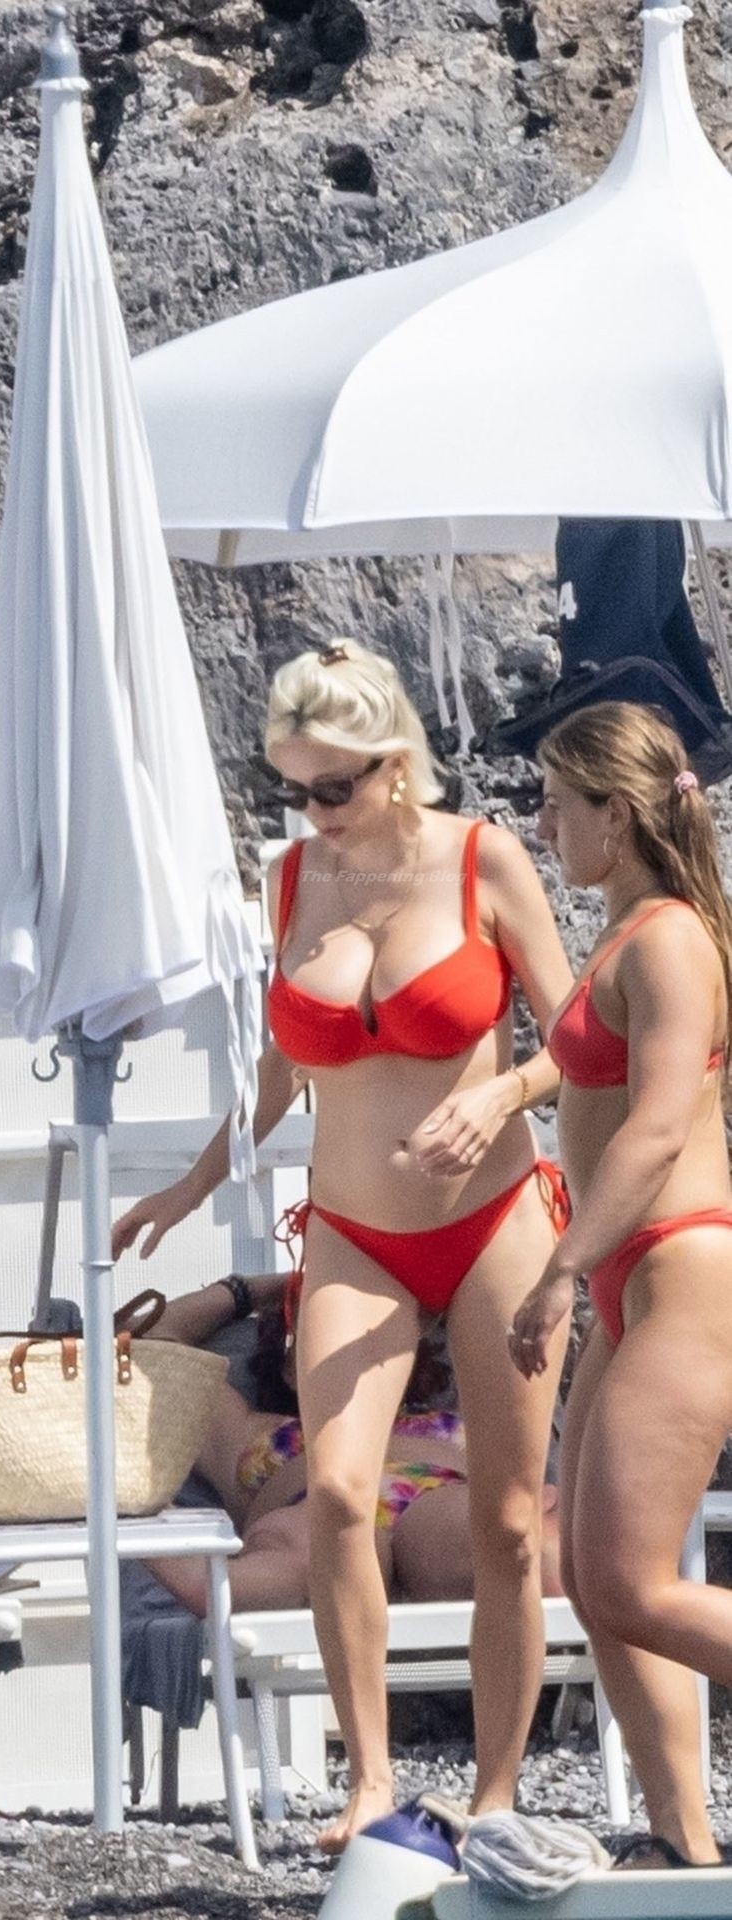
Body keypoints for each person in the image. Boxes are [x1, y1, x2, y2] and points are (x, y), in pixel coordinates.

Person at [112, 640, 576, 1851]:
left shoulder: (480, 858)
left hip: (492, 1221)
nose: (313, 810)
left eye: (334, 785)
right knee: (337, 1497)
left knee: (507, 1523)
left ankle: (494, 1796)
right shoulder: (292, 879)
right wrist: (190, 1185)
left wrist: (503, 1089)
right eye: (293, 787)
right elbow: (280, 1069)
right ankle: (369, 1783)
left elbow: (580, 1033)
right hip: (353, 1233)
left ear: (393, 760)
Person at [510, 702, 732, 1871]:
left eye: (558, 805)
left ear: (620, 812)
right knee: (597, 1583)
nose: (542, 826)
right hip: (632, 1281)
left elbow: (650, 1133)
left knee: (637, 1585)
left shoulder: (670, 941)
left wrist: (557, 1270)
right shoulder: (627, 929)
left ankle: (684, 1838)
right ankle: (683, 1842)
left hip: (680, 1272)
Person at [138, 1272, 563, 1618]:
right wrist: (253, 1290)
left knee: (506, 1537)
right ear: (289, 1368)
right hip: (315, 1506)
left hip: (434, 1500)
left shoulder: (451, 1419)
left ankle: (548, 1565)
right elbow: (143, 1347)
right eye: (323, 1334)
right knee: (309, 1551)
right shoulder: (252, 1432)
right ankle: (214, 1584)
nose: (349, 1355)